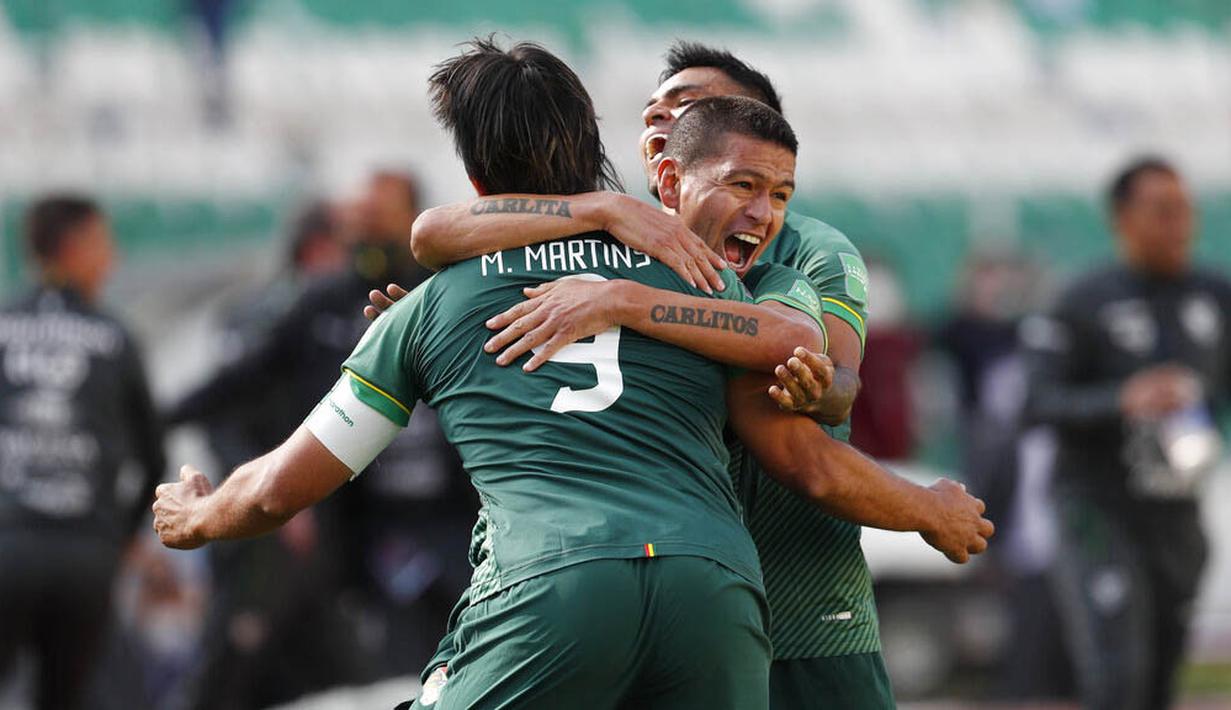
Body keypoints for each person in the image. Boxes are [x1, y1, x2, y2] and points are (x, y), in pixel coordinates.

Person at [154, 39, 991, 710]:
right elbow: (789, 415)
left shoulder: (431, 306)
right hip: (716, 590)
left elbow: (279, 490)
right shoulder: (702, 275)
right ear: (625, 160)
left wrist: (196, 516)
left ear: (478, 176)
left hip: (553, 586)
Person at [396, 41, 893, 708]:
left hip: (795, 604)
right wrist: (447, 323)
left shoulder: (802, 254)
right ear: (664, 174)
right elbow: (433, 233)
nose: (663, 118)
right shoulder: (632, 233)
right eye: (654, 109)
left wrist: (627, 302)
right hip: (646, 586)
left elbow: (827, 396)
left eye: (690, 107)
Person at [1022, 156, 1231, 710]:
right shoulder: (1082, 300)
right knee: (1119, 674)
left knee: (1163, 677)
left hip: (1178, 511)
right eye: (1162, 210)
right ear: (1123, 218)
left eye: (1185, 210)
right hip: (1098, 508)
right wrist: (1122, 398)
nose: (1179, 223)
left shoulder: (1215, 296)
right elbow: (1035, 402)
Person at [0, 194, 166, 710]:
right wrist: (119, 534)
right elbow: (154, 459)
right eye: (104, 244)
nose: (112, 260)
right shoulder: (113, 337)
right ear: (75, 247)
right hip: (86, 556)